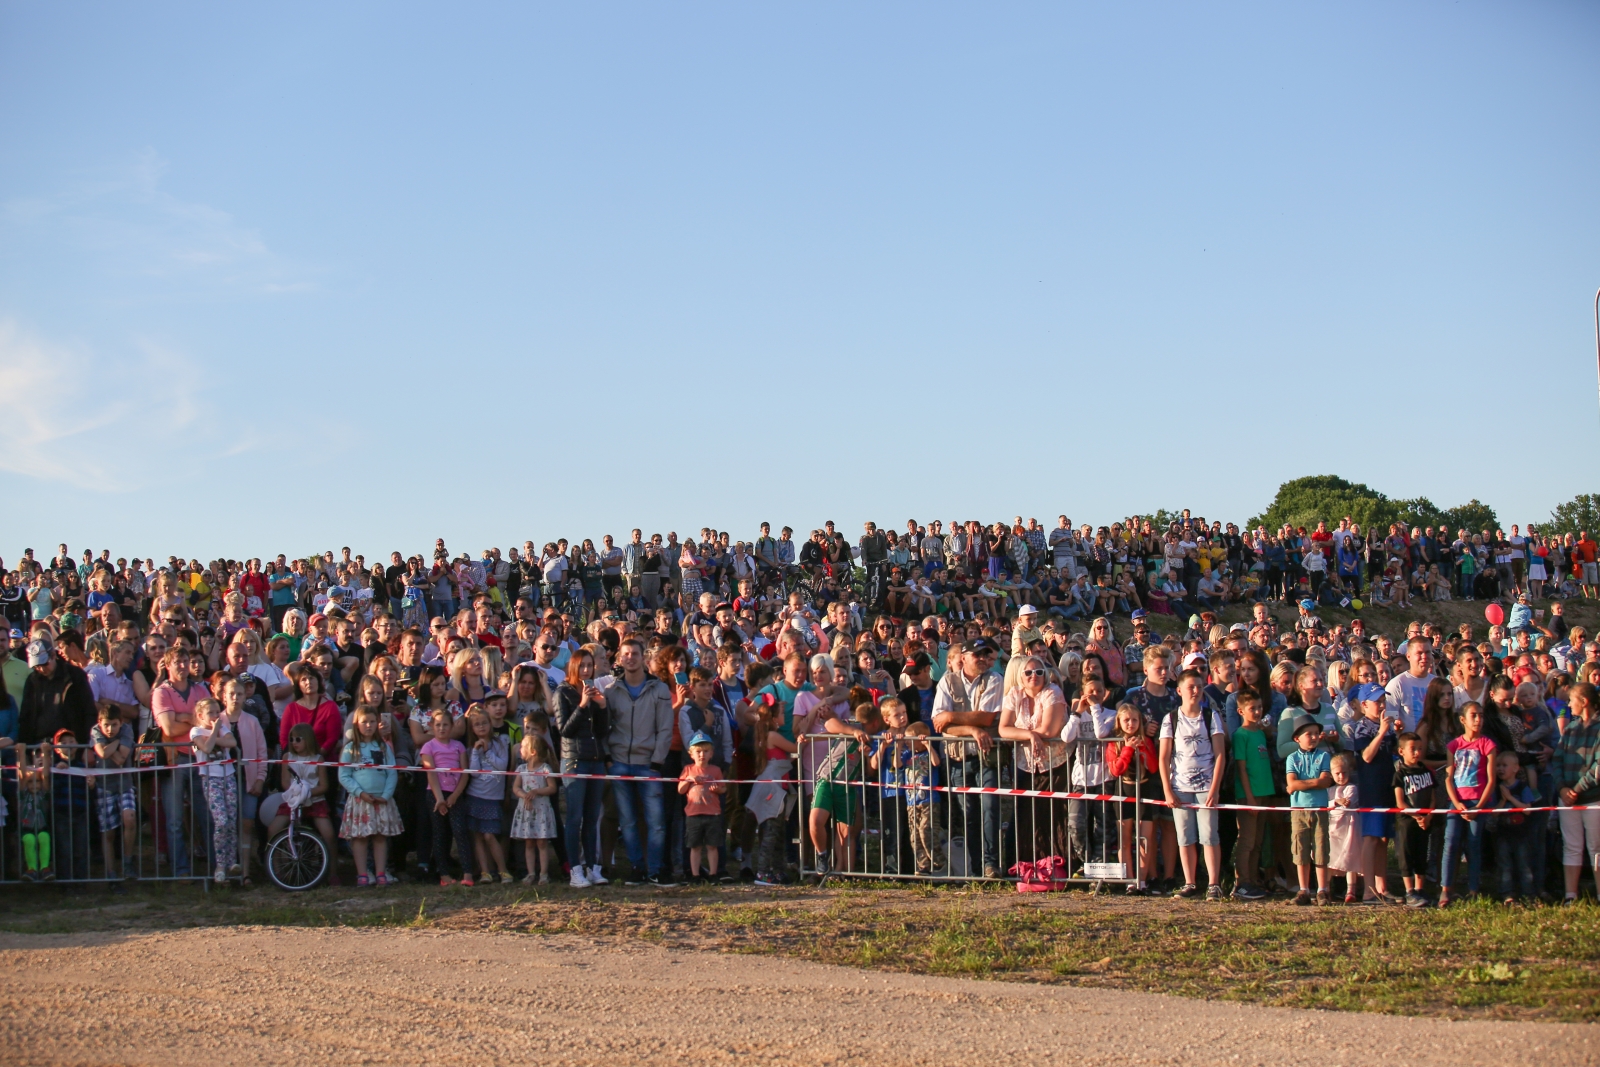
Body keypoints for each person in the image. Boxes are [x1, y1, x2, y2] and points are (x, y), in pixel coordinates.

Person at [932, 638, 1004, 879]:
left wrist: (952, 716)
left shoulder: (994, 679)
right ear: (963, 657)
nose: (983, 659)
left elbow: (986, 718)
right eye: (977, 654)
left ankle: (990, 864)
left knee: (990, 809)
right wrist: (971, 730)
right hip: (958, 758)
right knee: (968, 815)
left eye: (986, 654)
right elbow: (940, 725)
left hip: (986, 757)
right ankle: (974, 868)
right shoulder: (947, 680)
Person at [1157, 669, 1227, 900]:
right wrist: (1167, 789)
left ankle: (1214, 884)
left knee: (1210, 835)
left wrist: (1215, 789)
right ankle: (1189, 882)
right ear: (1179, 691)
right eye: (1190, 687)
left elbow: (1220, 755)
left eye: (1199, 686)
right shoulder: (1171, 719)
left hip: (1206, 786)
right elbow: (1164, 757)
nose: (1196, 691)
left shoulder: (1211, 717)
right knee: (1185, 837)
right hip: (1180, 786)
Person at [553, 647, 610, 888]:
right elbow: (564, 729)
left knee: (591, 816)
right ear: (574, 668)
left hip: (595, 758)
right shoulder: (562, 692)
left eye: (590, 665)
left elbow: (601, 731)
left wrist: (602, 706)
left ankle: (593, 867)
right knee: (574, 817)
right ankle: (574, 868)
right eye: (582, 666)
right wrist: (583, 705)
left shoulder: (594, 690)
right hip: (574, 760)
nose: (587, 670)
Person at [1440, 702, 1498, 907]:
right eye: (1474, 715)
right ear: (1463, 720)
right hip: (1456, 802)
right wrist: (1456, 803)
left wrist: (1479, 806)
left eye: (1481, 715)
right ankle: (1446, 890)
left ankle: (1474, 889)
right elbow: (1448, 778)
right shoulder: (1454, 745)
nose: (1478, 719)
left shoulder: (1487, 745)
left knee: (1474, 844)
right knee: (1451, 842)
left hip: (1477, 802)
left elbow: (1491, 780)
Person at [339, 705, 402, 887]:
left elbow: (392, 772)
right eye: (364, 722)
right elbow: (344, 775)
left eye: (372, 721)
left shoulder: (383, 746)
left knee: (380, 837)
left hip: (381, 800)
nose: (368, 725)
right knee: (359, 838)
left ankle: (381, 872)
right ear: (356, 724)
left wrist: (386, 794)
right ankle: (362, 874)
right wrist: (360, 793)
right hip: (361, 801)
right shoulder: (350, 748)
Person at [1554, 680, 1600, 904]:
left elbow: (1598, 768)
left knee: (1596, 848)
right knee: (1571, 846)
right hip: (1567, 799)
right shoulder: (1570, 729)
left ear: (1584, 702)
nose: (1569, 705)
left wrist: (1577, 789)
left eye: (1572, 700)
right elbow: (1557, 760)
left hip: (1593, 799)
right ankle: (1570, 895)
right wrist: (1562, 788)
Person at [1229, 688, 1275, 901]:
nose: (1257, 712)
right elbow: (1241, 767)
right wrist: (1248, 797)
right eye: (1252, 709)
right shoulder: (1241, 735)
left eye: (1259, 708)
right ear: (1240, 711)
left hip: (1265, 791)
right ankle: (1241, 882)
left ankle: (1254, 879)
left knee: (1258, 841)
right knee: (1246, 840)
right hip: (1250, 794)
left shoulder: (1260, 733)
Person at [188, 697, 239, 885]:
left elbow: (232, 742)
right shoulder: (196, 731)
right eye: (211, 713)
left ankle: (232, 861)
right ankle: (220, 864)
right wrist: (217, 731)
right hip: (211, 779)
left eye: (218, 712)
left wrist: (218, 732)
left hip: (229, 777)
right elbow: (206, 747)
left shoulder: (223, 728)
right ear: (200, 715)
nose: (216, 716)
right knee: (221, 821)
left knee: (232, 820)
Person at [419, 708, 472, 887]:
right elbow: (431, 774)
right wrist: (440, 798)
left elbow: (465, 773)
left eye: (445, 725)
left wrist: (455, 795)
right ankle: (444, 874)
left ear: (452, 727)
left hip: (455, 795)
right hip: (435, 794)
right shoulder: (428, 747)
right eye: (438, 725)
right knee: (439, 833)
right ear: (432, 727)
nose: (442, 728)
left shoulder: (459, 746)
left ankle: (468, 872)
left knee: (460, 831)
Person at [1285, 715, 1334, 906]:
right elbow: (1291, 784)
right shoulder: (1292, 758)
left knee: (1321, 849)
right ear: (1297, 738)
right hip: (1299, 810)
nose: (1314, 737)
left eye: (1316, 733)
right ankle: (1303, 889)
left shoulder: (1323, 756)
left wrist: (1301, 784)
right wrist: (1315, 783)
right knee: (1301, 849)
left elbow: (1325, 780)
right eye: (1309, 734)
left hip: (1320, 808)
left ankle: (1322, 889)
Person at [463, 705, 512, 885]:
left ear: (490, 724)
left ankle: (503, 870)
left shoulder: (500, 743)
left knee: (490, 836)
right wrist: (476, 752)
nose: (481, 727)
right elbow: (474, 773)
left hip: (493, 798)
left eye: (484, 723)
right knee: (477, 836)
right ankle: (485, 872)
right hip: (475, 796)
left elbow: (502, 766)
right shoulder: (470, 749)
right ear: (472, 729)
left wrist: (487, 752)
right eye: (477, 725)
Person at [90, 702, 138, 884]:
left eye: (114, 725)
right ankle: (110, 871)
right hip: (104, 786)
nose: (110, 729)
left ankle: (127, 862)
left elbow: (122, 757)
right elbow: (102, 753)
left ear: (120, 722)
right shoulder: (95, 731)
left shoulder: (127, 730)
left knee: (130, 819)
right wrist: (116, 743)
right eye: (106, 725)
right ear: (100, 723)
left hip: (125, 784)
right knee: (108, 833)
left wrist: (111, 747)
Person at [679, 730, 728, 882]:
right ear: (691, 754)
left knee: (712, 846)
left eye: (706, 751)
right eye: (698, 751)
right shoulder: (688, 770)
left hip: (712, 814)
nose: (702, 755)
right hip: (693, 814)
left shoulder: (716, 770)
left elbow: (723, 788)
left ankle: (713, 874)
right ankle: (695, 875)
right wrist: (689, 780)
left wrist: (718, 789)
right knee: (695, 846)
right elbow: (680, 790)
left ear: (711, 754)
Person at [510, 733, 559, 884]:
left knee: (542, 843)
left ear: (533, 751)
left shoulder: (545, 769)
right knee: (529, 842)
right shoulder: (521, 768)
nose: (520, 749)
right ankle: (531, 873)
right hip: (526, 811)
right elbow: (516, 787)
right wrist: (524, 795)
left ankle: (544, 873)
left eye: (523, 747)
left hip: (541, 811)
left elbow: (552, 788)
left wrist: (537, 791)